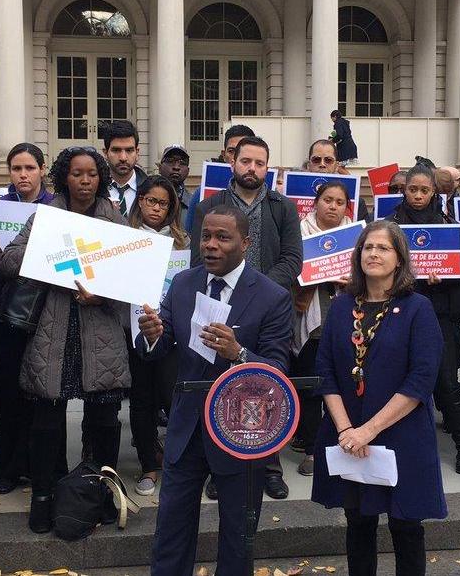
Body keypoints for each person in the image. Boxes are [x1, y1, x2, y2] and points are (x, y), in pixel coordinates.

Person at [135, 205, 293, 575]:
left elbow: (278, 371)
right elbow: (157, 347)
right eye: (206, 236)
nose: (211, 245)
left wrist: (238, 353)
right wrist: (152, 336)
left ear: (245, 243)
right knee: (171, 529)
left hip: (240, 432)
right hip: (187, 427)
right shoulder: (184, 283)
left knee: (238, 538)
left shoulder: (272, 296)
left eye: (223, 238)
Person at [0, 147, 130, 533]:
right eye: (77, 173)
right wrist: (51, 260)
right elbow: (8, 260)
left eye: (92, 174)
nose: (85, 181)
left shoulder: (114, 219)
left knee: (105, 420)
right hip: (53, 333)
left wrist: (102, 293)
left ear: (100, 179)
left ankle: (102, 494)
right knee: (47, 420)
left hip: (100, 334)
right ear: (63, 176)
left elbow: (132, 278)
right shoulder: (46, 216)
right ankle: (43, 496)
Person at [312, 220, 446, 576]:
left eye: (383, 248)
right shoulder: (342, 306)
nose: (373, 254)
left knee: (405, 525)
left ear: (399, 259)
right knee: (358, 521)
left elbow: (421, 379)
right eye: (368, 247)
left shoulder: (418, 308)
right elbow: (325, 371)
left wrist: (367, 431)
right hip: (349, 434)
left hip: (400, 432)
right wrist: (346, 431)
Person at [191, 135, 302, 499]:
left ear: (268, 168)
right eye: (246, 161)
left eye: (260, 163)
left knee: (266, 386)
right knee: (222, 387)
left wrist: (258, 291)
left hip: (269, 311)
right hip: (219, 304)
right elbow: (198, 257)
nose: (252, 168)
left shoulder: (282, 207)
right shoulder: (211, 204)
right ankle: (217, 466)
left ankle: (269, 465)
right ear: (232, 162)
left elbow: (292, 259)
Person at [386, 164, 460, 474]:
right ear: (405, 190)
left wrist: (443, 277)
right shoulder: (390, 225)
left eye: (425, 190)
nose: (419, 195)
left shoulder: (446, 224)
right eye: (413, 189)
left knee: (447, 381)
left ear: (435, 191)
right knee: (397, 379)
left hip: (439, 313)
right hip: (399, 311)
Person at [0, 143, 54, 495]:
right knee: (7, 392)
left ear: (42, 169)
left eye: (29, 167)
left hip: (46, 313)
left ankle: (37, 466)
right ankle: (8, 470)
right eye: (16, 169)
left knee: (40, 397)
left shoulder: (56, 209)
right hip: (7, 311)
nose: (23, 175)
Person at [125, 175, 188, 495]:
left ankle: (176, 463)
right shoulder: (124, 238)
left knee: (173, 400)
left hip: (173, 337)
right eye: (151, 200)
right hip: (134, 332)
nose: (156, 208)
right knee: (141, 402)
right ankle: (148, 466)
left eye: (163, 203)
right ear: (140, 201)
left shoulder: (183, 242)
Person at [291, 181, 353, 477]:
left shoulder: (357, 236)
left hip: (346, 321)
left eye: (339, 202)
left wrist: (351, 282)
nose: (333, 206)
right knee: (312, 388)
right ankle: (312, 450)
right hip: (310, 320)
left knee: (341, 386)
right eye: (327, 200)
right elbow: (289, 271)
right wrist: (312, 276)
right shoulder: (298, 234)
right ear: (316, 203)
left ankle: (341, 444)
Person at [185, 124, 255, 235]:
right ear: (224, 155)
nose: (236, 157)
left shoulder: (271, 197)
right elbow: (190, 234)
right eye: (232, 151)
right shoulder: (201, 194)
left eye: (243, 151)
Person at [307, 139, 369, 221]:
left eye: (328, 160)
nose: (322, 164)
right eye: (316, 160)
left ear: (336, 166)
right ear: (308, 165)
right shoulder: (290, 199)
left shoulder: (358, 203)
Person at [104, 120, 148, 218]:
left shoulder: (150, 189)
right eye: (116, 150)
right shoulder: (94, 189)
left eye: (129, 150)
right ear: (105, 153)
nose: (123, 158)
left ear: (137, 153)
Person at [156, 144, 194, 228]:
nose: (176, 167)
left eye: (182, 162)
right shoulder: (147, 201)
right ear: (160, 167)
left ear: (188, 171)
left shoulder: (194, 204)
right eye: (170, 161)